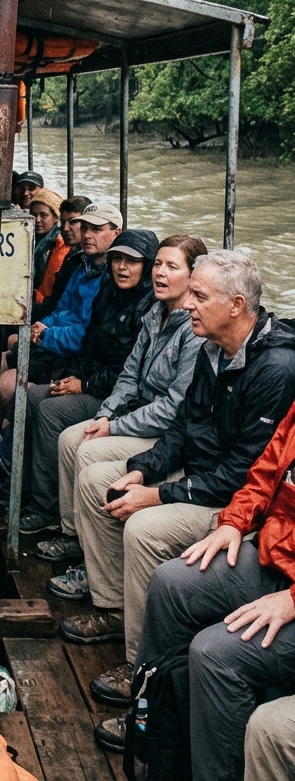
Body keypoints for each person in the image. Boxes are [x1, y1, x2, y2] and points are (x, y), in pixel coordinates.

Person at [71, 250, 295, 718]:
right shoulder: (214, 349)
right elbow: (182, 428)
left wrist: (157, 496)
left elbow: (242, 475)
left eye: (199, 295)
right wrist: (145, 469)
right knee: (102, 482)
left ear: (236, 305)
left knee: (145, 529)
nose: (187, 304)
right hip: (205, 478)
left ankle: (140, 668)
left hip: (227, 496)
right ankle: (114, 609)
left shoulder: (274, 371)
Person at [113, 392, 295, 779]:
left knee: (214, 652)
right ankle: (155, 728)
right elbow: (264, 473)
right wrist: (233, 521)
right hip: (278, 554)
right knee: (173, 582)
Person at [35, 236, 205, 568]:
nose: (160, 273)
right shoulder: (156, 314)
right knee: (76, 438)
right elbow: (129, 376)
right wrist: (105, 416)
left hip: (164, 431)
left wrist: (114, 426)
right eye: (158, 264)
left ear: (192, 276)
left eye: (172, 267)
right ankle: (75, 537)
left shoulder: (194, 330)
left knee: (88, 450)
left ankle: (96, 560)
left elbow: (173, 407)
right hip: (137, 413)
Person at [17, 228, 159, 535]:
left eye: (131, 262)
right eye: (117, 260)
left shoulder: (147, 306)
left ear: (146, 266)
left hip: (118, 397)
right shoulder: (108, 294)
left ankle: (46, 509)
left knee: (51, 410)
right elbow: (90, 344)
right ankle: (26, 489)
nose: (122, 267)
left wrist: (86, 385)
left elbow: (128, 370)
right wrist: (77, 375)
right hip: (96, 380)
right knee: (31, 397)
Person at [0, 201, 122, 404]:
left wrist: (46, 335)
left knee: (8, 382)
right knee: (4, 359)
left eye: (97, 230)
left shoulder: (113, 277)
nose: (88, 235)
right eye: (85, 228)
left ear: (116, 233)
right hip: (60, 343)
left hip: (78, 355)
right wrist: (43, 326)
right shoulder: (83, 264)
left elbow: (86, 332)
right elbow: (62, 308)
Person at [28, 188, 66, 302]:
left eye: (43, 215)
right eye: (34, 215)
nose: (37, 220)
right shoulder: (30, 238)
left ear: (56, 218)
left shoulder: (59, 244)